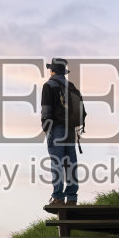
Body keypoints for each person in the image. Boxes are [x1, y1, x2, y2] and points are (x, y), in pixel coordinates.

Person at [39, 58, 80, 208]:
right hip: (71, 128)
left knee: (57, 163)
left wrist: (46, 127)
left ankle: (57, 197)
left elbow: (46, 109)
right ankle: (72, 198)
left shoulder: (49, 85)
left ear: (52, 70)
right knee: (71, 163)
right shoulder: (70, 86)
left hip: (56, 128)